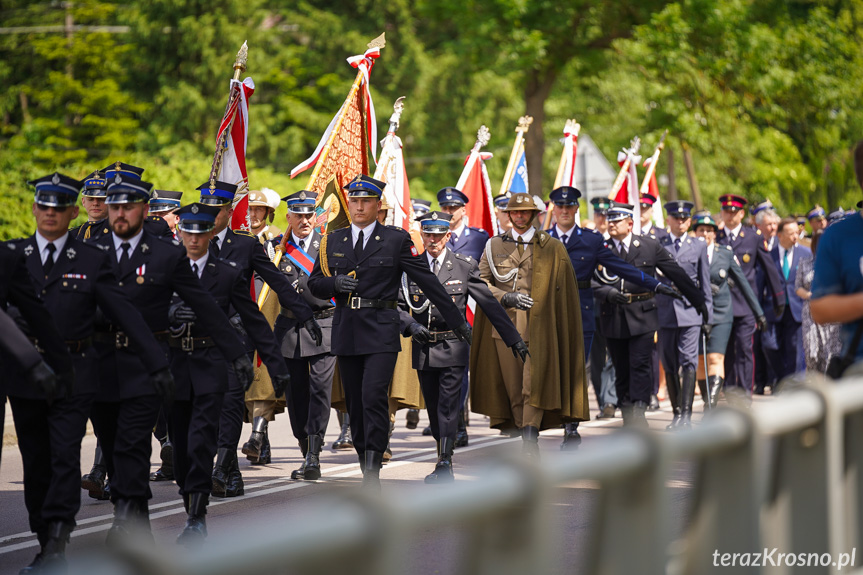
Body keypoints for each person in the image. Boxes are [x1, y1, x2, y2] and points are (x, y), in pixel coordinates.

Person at [7, 172, 173, 569]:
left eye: (58, 208)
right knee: (37, 465)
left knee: (65, 458)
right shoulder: (13, 256)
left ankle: (56, 546)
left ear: (70, 211)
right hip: (26, 377)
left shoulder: (91, 258)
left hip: (75, 371)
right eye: (43, 207)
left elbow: (125, 313)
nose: (50, 215)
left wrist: (156, 361)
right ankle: (44, 534)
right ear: (34, 210)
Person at [88, 174, 253, 544]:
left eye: (127, 206)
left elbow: (203, 304)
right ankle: (133, 513)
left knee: (134, 444)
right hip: (100, 364)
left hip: (148, 365)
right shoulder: (90, 249)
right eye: (113, 206)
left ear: (145, 210)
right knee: (111, 443)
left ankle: (134, 518)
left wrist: (237, 354)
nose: (118, 213)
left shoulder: (164, 253)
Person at [308, 174, 471, 489]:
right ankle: (363, 454)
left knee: (373, 397)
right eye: (353, 200)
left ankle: (372, 469)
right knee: (354, 403)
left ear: (376, 204)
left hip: (381, 329)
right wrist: (333, 284)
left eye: (365, 200)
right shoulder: (332, 240)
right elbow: (314, 282)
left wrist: (458, 322)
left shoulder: (396, 240)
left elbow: (429, 284)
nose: (358, 206)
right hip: (347, 328)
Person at [168, 203, 289, 546]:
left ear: (210, 234)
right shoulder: (165, 268)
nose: (192, 238)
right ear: (179, 233)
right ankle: (190, 493)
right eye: (186, 231)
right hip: (175, 366)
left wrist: (273, 364)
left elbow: (250, 317)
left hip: (211, 363)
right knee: (181, 449)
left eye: (199, 231)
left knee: (203, 439)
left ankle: (196, 516)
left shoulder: (224, 272)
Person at [199, 180, 319, 498]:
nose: (210, 215)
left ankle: (219, 469)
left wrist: (306, 315)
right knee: (203, 408)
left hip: (237, 338)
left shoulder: (246, 245)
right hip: (197, 339)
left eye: (217, 209)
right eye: (205, 209)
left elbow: (278, 282)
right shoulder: (188, 244)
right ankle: (230, 473)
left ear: (228, 211)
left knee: (228, 403)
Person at [399, 211, 526, 481]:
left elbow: (488, 303)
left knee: (448, 405)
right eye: (428, 234)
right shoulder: (410, 266)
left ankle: (445, 461)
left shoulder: (463, 265)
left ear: (448, 236)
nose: (433, 239)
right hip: (423, 347)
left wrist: (512, 338)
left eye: (438, 234)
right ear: (422, 235)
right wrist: (410, 325)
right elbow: (397, 306)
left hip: (453, 346)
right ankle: (442, 453)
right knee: (433, 408)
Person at [547, 187, 677, 445]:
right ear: (553, 209)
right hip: (547, 315)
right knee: (554, 370)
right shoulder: (542, 239)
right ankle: (534, 429)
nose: (563, 210)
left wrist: (655, 285)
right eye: (559, 206)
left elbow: (623, 268)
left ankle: (571, 427)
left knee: (577, 371)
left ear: (575, 209)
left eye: (569, 206)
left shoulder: (591, 240)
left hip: (581, 313)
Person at [471, 192, 587, 453]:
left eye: (525, 212)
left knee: (530, 386)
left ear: (535, 215)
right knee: (513, 389)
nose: (520, 216)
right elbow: (480, 283)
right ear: (508, 215)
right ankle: (525, 431)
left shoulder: (553, 246)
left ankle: (530, 440)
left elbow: (565, 293)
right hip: (505, 329)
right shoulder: (494, 246)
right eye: (515, 212)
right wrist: (505, 296)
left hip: (541, 328)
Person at [594, 202, 707, 427]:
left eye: (617, 220)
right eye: (610, 220)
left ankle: (638, 411)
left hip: (643, 314)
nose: (612, 224)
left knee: (641, 364)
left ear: (630, 223)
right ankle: (628, 414)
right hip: (613, 315)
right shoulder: (600, 248)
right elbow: (589, 281)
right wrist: (606, 292)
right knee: (621, 368)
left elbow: (677, 273)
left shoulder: (648, 245)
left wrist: (699, 303)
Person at [268, 190, 339, 481]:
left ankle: (315, 452)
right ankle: (304, 444)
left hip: (323, 327)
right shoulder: (277, 249)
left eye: (309, 214)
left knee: (320, 390)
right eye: (298, 215)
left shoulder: (327, 247)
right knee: (296, 395)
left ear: (315, 216)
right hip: (290, 331)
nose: (304, 220)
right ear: (289, 218)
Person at [690, 213, 765, 407]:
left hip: (721, 312)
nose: (704, 234)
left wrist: (759, 313)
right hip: (696, 312)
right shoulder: (687, 252)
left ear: (715, 234)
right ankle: (708, 397)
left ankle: (711, 405)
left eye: (709, 231)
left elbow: (744, 284)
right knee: (700, 360)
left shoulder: (725, 253)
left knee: (715, 357)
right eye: (700, 230)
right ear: (694, 232)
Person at [716, 194, 784, 397]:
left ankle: (745, 394)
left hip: (745, 304)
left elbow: (769, 269)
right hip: (721, 305)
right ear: (722, 213)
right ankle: (729, 391)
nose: (730, 215)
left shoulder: (753, 238)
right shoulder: (716, 238)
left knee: (745, 349)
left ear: (742, 214)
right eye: (726, 211)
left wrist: (778, 297)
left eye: (734, 212)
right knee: (726, 351)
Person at [438, 186, 491, 445]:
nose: (448, 212)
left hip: (469, 312)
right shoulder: (433, 235)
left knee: (461, 370)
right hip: (438, 314)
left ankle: (459, 423)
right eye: (444, 207)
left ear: (463, 210)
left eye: (452, 208)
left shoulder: (480, 238)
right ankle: (449, 421)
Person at [656, 201, 712, 428]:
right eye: (676, 218)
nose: (680, 222)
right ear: (668, 220)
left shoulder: (698, 246)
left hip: (690, 311)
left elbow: (704, 282)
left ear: (689, 221)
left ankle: (686, 415)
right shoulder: (658, 244)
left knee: (688, 360)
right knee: (669, 362)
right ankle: (677, 412)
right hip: (665, 310)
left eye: (685, 219)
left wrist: (707, 315)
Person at [760, 217, 811, 382]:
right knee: (769, 345)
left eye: (797, 233)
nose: (795, 237)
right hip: (773, 309)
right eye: (790, 233)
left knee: (795, 350)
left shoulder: (806, 253)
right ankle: (783, 380)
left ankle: (792, 387)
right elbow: (760, 283)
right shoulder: (769, 255)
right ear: (780, 235)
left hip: (797, 309)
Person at [795, 230, 841, 373]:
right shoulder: (805, 262)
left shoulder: (837, 263)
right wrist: (809, 295)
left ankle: (829, 385)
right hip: (811, 311)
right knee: (812, 353)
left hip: (831, 312)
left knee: (830, 352)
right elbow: (798, 287)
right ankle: (814, 383)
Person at [70, 171, 110, 241]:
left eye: (101, 199)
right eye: (90, 199)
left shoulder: (118, 233)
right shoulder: (73, 235)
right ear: (83, 201)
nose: (95, 203)